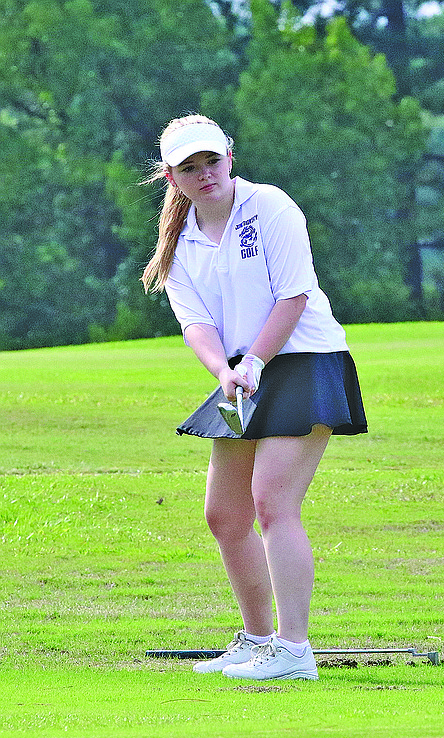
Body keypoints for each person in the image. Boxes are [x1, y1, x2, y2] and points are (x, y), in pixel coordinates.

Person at [142, 114, 367, 681]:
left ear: (230, 158)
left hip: (302, 359)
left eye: (212, 162)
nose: (205, 175)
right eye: (189, 168)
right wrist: (224, 369)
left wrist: (254, 362)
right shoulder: (177, 243)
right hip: (243, 370)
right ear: (172, 178)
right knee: (224, 516)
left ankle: (294, 652)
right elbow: (195, 325)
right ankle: (258, 639)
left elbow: (293, 295)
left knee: (272, 504)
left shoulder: (270, 207)